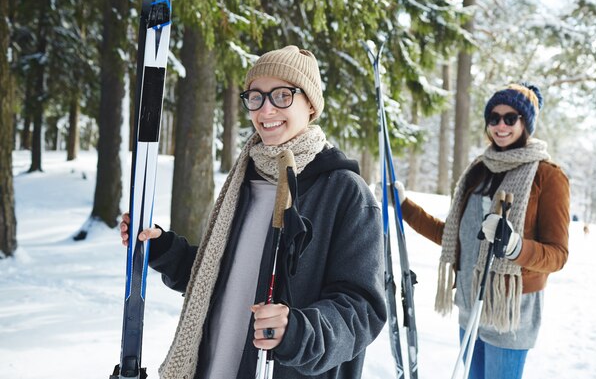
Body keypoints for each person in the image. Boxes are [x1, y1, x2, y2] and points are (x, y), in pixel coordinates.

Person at [120, 45, 386, 379]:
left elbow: (362, 310)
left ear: (311, 105)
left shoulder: (345, 193)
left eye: (282, 95)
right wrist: (164, 250)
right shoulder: (245, 181)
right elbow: (224, 280)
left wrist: (298, 331)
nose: (266, 108)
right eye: (256, 97)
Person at [394, 83, 569, 379]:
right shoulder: (478, 170)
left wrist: (515, 247)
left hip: (510, 311)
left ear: (526, 123)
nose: (501, 125)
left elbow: (558, 255)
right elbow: (454, 236)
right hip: (469, 302)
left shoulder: (547, 176)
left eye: (510, 118)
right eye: (494, 118)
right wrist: (404, 206)